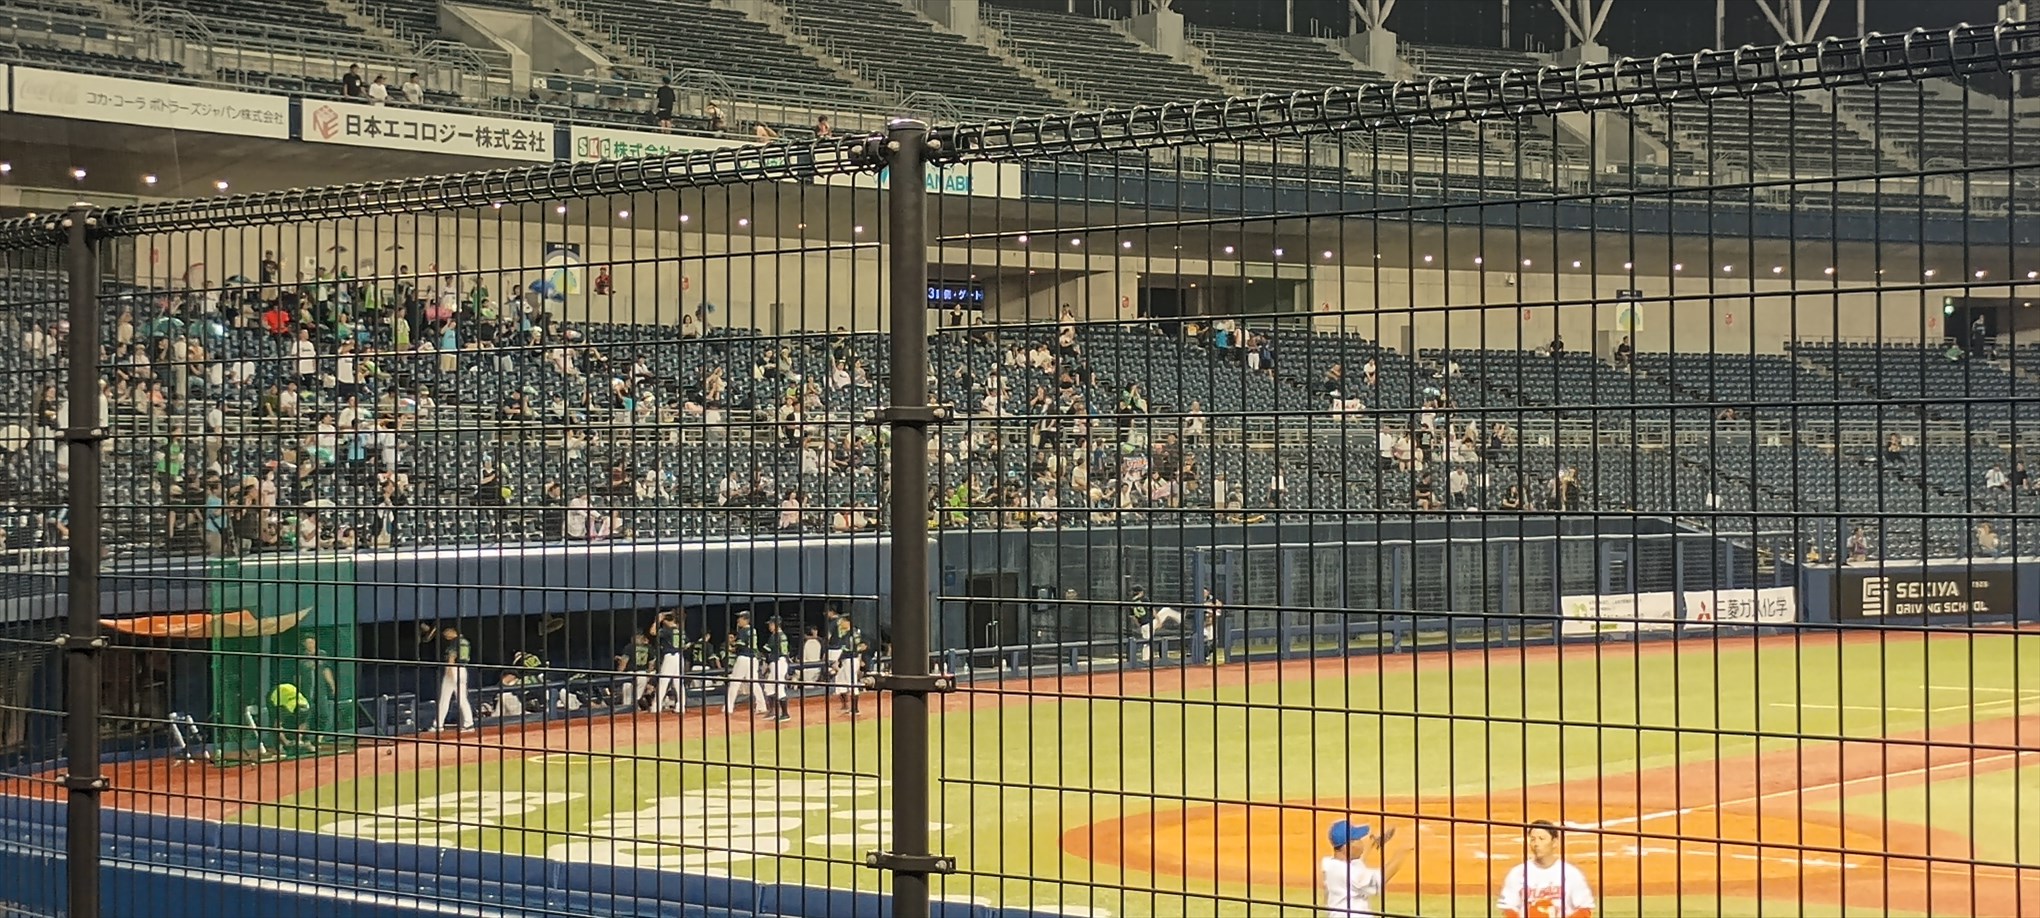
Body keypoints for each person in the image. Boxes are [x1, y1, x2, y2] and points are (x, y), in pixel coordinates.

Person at [1496, 820, 1596, 918]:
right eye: (1533, 839)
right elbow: (1509, 908)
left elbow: (1585, 909)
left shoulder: (1571, 873)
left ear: (1555, 842)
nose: (1536, 844)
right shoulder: (1518, 873)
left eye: (1541, 839)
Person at [1322, 819, 1407, 918]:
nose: (1361, 842)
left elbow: (1357, 861)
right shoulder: (1349, 873)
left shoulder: (1330, 864)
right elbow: (1379, 879)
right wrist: (1403, 851)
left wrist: (1373, 843)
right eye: (1358, 839)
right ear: (1348, 846)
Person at [722, 611, 767, 717]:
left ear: (746, 620)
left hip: (744, 658)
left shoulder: (743, 631)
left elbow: (740, 645)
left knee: (734, 682)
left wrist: (731, 646)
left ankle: (729, 707)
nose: (738, 620)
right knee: (754, 682)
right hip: (753, 659)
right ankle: (762, 706)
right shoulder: (753, 630)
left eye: (740, 618)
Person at [433, 625, 475, 732]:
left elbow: (451, 658)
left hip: (454, 670)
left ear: (452, 631)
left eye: (446, 632)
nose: (445, 635)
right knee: (462, 698)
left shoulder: (455, 642)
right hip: (463, 670)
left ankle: (438, 725)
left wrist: (449, 672)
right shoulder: (465, 641)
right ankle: (469, 723)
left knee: (444, 698)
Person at [828, 613, 865, 716]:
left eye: (843, 621)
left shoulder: (850, 634)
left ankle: (855, 709)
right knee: (841, 681)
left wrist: (838, 661)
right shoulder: (853, 632)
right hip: (850, 660)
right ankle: (846, 706)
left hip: (850, 660)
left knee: (851, 684)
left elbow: (847, 649)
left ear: (848, 622)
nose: (841, 623)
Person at [267, 682, 317, 755]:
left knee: (299, 729)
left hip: (291, 692)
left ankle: (302, 742)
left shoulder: (307, 707)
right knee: (275, 721)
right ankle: (278, 746)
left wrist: (299, 740)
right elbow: (276, 726)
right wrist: (286, 742)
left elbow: (303, 724)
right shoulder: (285, 709)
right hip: (276, 693)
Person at [760, 616, 794, 723]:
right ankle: (772, 712)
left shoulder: (776, 636)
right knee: (769, 687)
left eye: (771, 624)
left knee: (779, 688)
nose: (769, 626)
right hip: (778, 662)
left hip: (778, 662)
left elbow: (766, 650)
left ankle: (785, 714)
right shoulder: (781, 635)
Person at [652, 611, 687, 712]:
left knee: (663, 681)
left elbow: (653, 632)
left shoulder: (668, 630)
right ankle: (681, 706)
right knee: (678, 682)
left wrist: (657, 620)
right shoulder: (681, 630)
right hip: (679, 656)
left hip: (670, 656)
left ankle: (656, 706)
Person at [616, 630, 653, 709]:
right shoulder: (647, 648)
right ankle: (636, 710)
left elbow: (624, 661)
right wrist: (648, 673)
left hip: (629, 674)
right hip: (642, 673)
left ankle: (627, 712)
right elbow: (651, 663)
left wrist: (619, 671)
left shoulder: (629, 647)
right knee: (637, 698)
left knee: (627, 700)